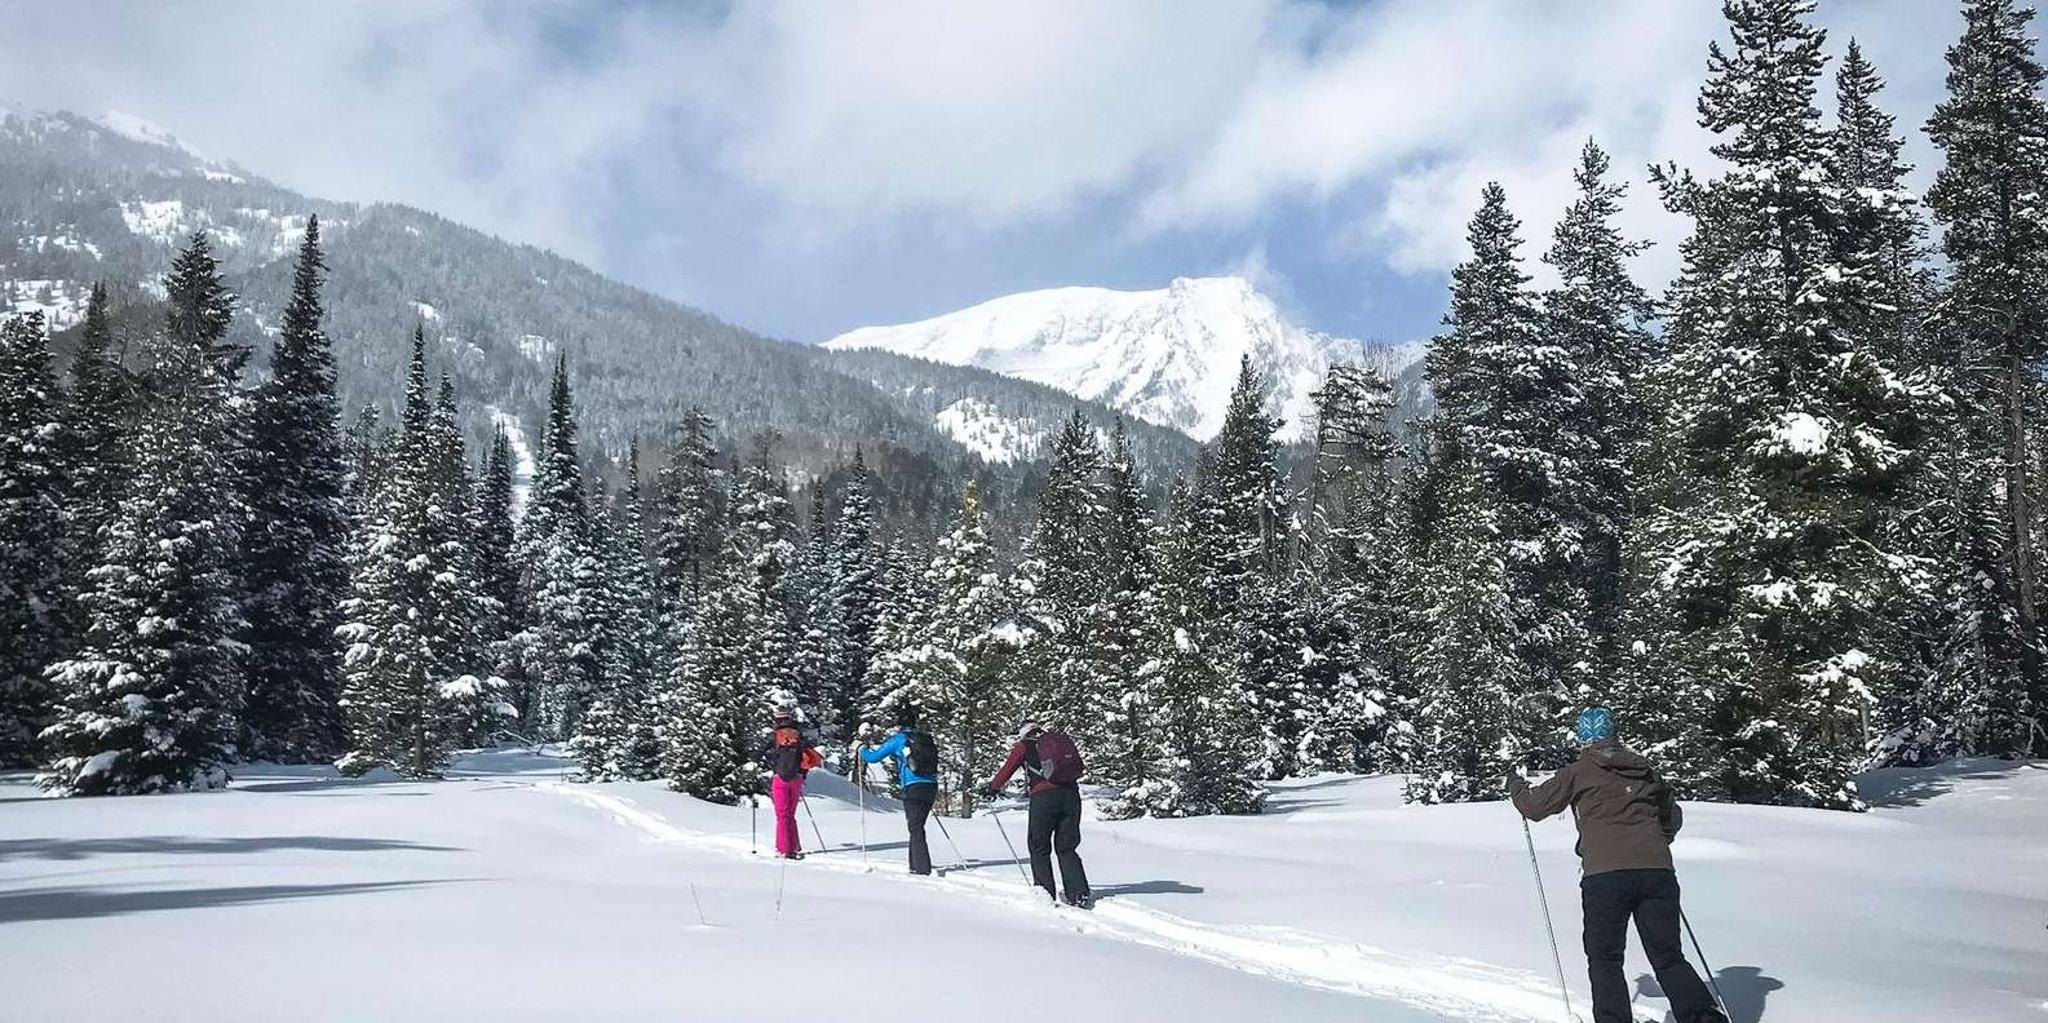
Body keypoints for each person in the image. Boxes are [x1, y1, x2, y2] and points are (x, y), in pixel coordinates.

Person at [1510, 707, 1728, 1023]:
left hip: (1605, 877)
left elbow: (1534, 807)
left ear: (1582, 739)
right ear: (1615, 734)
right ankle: (1702, 1017)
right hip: (1657, 873)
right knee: (1667, 955)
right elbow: (1671, 817)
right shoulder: (1645, 770)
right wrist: (1651, 844)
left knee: (1605, 958)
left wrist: (1516, 786)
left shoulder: (1579, 772)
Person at [982, 720, 1091, 908]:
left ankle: (1045, 894)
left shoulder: (1024, 745)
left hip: (1044, 798)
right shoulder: (1057, 741)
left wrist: (992, 788)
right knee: (1067, 848)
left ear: (1023, 732)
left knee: (1039, 846)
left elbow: (1007, 769)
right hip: (1071, 796)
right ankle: (1079, 894)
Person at [854, 706, 941, 875]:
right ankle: (915, 864)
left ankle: (921, 868)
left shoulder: (899, 739)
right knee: (918, 826)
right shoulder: (925, 739)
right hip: (930, 785)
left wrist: (861, 748)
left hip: (912, 785)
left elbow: (873, 757)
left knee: (915, 828)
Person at [759, 707, 821, 860]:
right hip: (797, 778)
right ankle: (794, 845)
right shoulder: (798, 736)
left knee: (782, 815)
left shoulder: (775, 737)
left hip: (780, 778)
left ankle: (784, 850)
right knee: (790, 814)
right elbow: (808, 757)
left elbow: (760, 753)